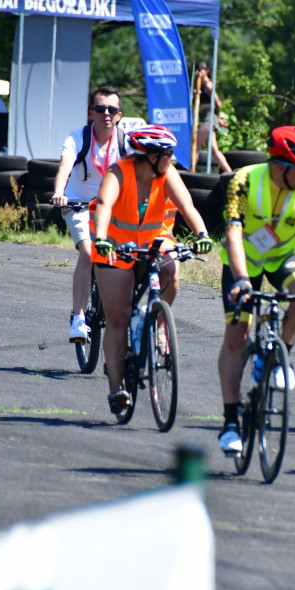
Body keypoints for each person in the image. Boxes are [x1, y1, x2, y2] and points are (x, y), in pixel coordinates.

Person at [216, 125, 295, 454]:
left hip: (284, 255)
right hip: (245, 261)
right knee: (237, 336)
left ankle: (278, 353)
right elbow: (233, 233)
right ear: (280, 165)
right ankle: (230, 422)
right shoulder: (245, 180)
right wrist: (241, 279)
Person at [91, 125, 212, 415]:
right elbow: (105, 204)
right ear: (149, 157)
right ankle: (117, 388)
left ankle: (160, 324)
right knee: (118, 318)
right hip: (115, 248)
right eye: (167, 154)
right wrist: (102, 238)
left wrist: (202, 234)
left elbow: (187, 206)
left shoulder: (167, 174)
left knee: (172, 271)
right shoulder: (118, 172)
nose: (171, 159)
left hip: (155, 243)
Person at [51, 87, 131, 342]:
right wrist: (59, 191)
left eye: (112, 109)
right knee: (88, 252)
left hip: (114, 207)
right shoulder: (78, 138)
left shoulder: (125, 142)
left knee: (129, 255)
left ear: (119, 115)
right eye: (100, 108)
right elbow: (64, 167)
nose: (106, 114)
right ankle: (78, 318)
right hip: (78, 203)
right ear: (90, 113)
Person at [191, 61, 231, 173]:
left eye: (202, 69)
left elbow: (218, 104)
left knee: (195, 145)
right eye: (198, 69)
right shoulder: (199, 85)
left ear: (207, 71)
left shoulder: (208, 85)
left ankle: (191, 171)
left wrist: (216, 118)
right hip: (205, 117)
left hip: (208, 118)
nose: (200, 71)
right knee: (214, 150)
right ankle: (229, 172)